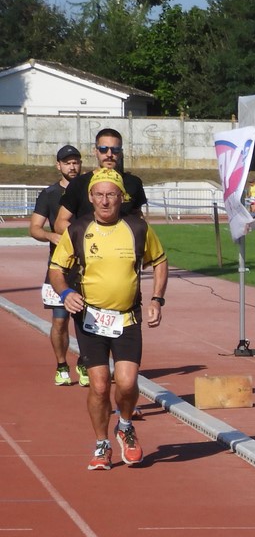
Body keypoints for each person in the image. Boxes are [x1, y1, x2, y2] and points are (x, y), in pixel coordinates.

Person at [47, 168, 168, 470]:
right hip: (90, 318)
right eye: (99, 195)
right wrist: (65, 293)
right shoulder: (78, 230)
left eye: (111, 195)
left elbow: (160, 261)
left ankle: (125, 425)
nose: (104, 201)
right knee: (100, 385)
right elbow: (56, 269)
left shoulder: (137, 228)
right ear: (90, 197)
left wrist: (157, 299)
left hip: (127, 318)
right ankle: (102, 443)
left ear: (121, 197)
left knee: (126, 383)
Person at [30, 144, 87, 386]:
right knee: (60, 320)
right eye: (67, 162)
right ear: (58, 165)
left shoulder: (89, 190)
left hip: (87, 266)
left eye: (75, 162)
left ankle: (85, 363)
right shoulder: (49, 194)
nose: (72, 166)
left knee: (87, 321)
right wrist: (50, 236)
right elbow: (34, 228)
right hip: (60, 268)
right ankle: (62, 365)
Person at [52, 128, 148, 235]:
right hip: (90, 243)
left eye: (115, 150)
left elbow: (138, 215)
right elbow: (60, 223)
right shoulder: (79, 183)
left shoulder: (134, 182)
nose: (109, 154)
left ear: (121, 153)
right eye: (103, 149)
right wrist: (89, 236)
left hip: (123, 243)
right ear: (95, 151)